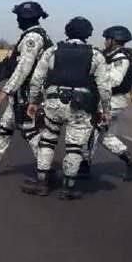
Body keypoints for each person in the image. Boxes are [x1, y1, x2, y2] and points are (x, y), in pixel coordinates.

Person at [22, 16, 111, 199]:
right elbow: (104, 87)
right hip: (81, 105)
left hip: (53, 102)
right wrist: (106, 110)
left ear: (67, 31)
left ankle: (41, 183)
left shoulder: (52, 51)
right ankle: (68, 188)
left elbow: (37, 79)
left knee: (47, 140)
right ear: (88, 34)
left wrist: (33, 101)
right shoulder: (96, 55)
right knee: (74, 148)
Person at [0, 1, 53, 177]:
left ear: (25, 18)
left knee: (30, 131)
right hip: (22, 92)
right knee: (5, 128)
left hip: (28, 93)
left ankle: (46, 170)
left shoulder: (33, 38)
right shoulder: (32, 35)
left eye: (19, 17)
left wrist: (5, 91)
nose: (17, 21)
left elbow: (24, 68)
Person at [84, 25, 132, 180]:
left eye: (107, 39)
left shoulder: (121, 59)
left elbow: (115, 80)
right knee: (106, 136)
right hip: (111, 100)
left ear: (114, 40)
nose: (105, 42)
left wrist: (96, 79)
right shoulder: (111, 55)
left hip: (113, 101)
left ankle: (84, 166)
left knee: (92, 131)